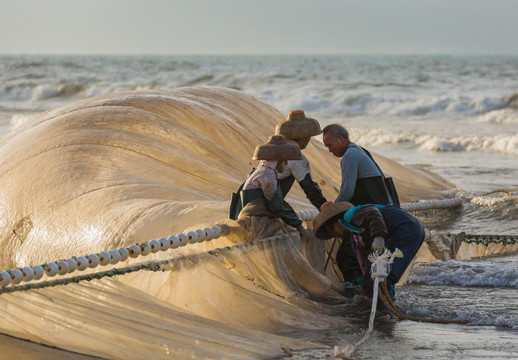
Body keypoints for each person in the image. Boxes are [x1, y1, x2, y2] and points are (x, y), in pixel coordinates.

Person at [321, 123, 396, 285]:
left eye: (330, 145)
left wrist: (333, 210)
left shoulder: (350, 156)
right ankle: (368, 290)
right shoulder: (360, 151)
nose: (329, 151)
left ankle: (357, 292)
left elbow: (347, 191)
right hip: (378, 214)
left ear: (341, 138)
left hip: (372, 216)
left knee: (347, 257)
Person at [313, 202, 425, 301]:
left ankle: (386, 309)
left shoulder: (350, 215)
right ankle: (384, 306)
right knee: (381, 276)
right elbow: (363, 255)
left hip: (405, 229)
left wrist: (378, 237)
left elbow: (373, 213)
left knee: (385, 276)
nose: (335, 235)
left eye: (333, 231)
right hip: (411, 230)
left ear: (335, 222)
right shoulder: (357, 230)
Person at [238, 135, 305, 234]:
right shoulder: (267, 174)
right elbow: (277, 205)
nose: (286, 164)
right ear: (279, 160)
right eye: (284, 161)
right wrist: (297, 224)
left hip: (251, 217)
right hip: (253, 221)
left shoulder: (262, 170)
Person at [274, 110, 327, 210]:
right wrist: (324, 206)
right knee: (295, 223)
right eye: (308, 137)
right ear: (304, 137)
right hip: (266, 200)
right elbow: (309, 187)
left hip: (250, 196)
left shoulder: (277, 147)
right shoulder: (294, 154)